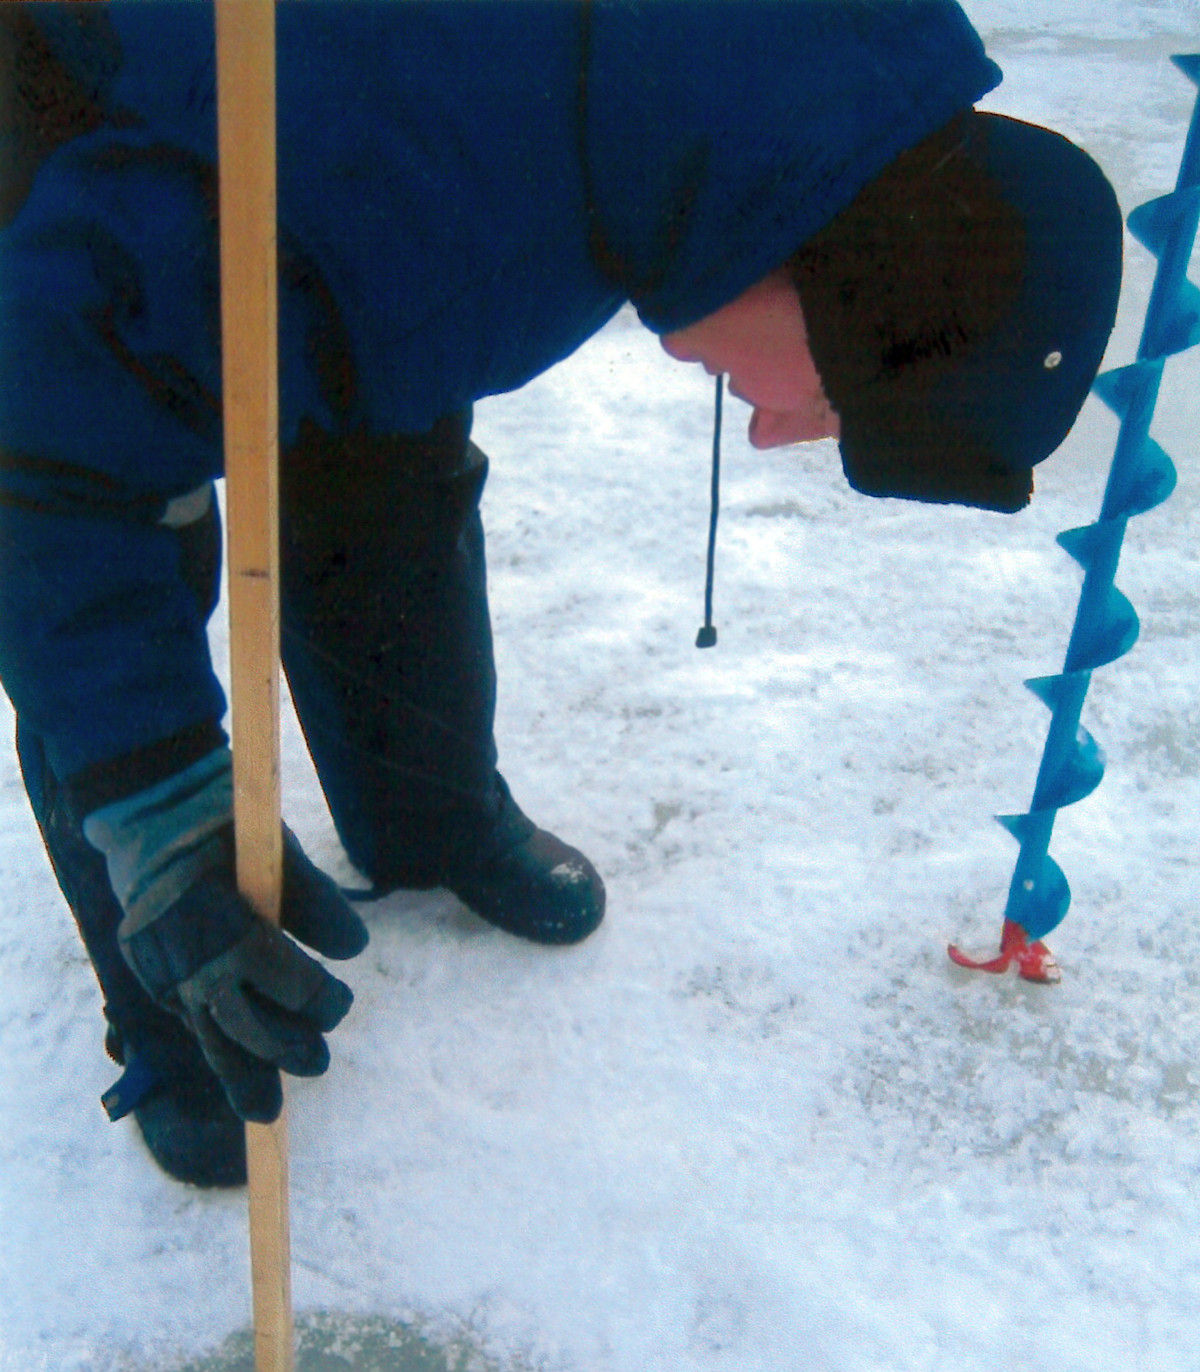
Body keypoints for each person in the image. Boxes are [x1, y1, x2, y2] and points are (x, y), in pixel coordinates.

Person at [0, 1, 1122, 1189]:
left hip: (336, 161)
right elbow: (39, 454)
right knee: (127, 521)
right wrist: (166, 811)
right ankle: (181, 995)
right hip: (71, 88)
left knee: (382, 431)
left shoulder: (774, 101)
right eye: (832, 406)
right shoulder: (444, 194)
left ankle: (423, 819)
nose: (770, 432)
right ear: (841, 281)